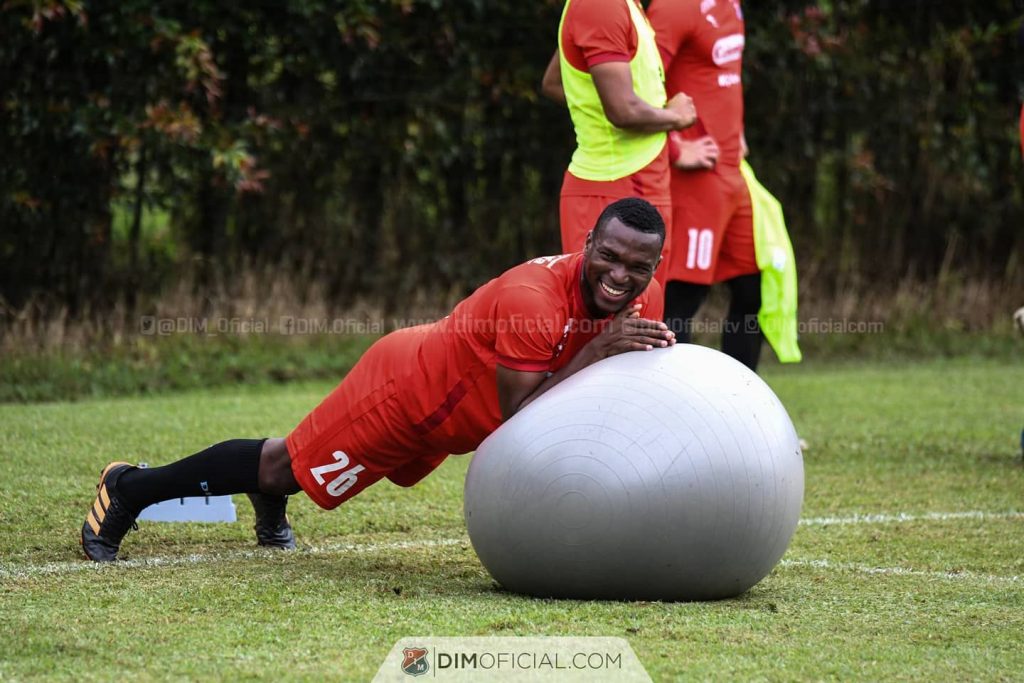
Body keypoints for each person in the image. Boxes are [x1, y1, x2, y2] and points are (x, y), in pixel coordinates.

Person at [81, 198, 677, 562]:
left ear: (655, 267)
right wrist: (599, 348)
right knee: (282, 465)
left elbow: (602, 383)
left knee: (299, 469)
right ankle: (131, 488)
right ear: (588, 243)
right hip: (406, 391)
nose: (621, 276)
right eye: (610, 256)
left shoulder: (638, 295)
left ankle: (268, 497)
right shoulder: (533, 298)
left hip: (447, 417)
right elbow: (522, 416)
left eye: (638, 267)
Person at [647, 0, 763, 370]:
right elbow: (640, 83)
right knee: (683, 298)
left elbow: (726, 74)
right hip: (697, 179)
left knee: (751, 292)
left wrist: (738, 131)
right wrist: (676, 148)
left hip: (734, 172)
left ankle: (743, 417)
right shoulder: (673, 8)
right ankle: (676, 415)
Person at [541, 0, 697, 272]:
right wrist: (676, 117)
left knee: (648, 309)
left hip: (644, 181)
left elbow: (556, 82)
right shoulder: (601, 6)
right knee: (608, 313)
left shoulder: (626, 5)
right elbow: (622, 110)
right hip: (613, 188)